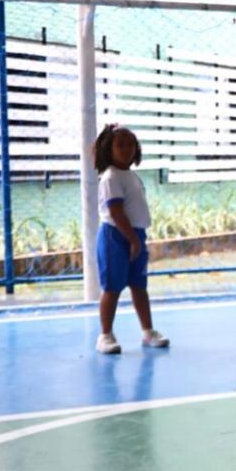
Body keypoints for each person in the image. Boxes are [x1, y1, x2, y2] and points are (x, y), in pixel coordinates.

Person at [92, 124, 168, 354]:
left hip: (135, 236)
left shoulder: (131, 175)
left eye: (131, 144)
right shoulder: (111, 177)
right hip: (115, 237)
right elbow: (116, 212)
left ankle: (148, 332)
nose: (127, 149)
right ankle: (105, 335)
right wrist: (133, 240)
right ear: (109, 149)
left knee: (139, 286)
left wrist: (137, 239)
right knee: (112, 288)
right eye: (120, 145)